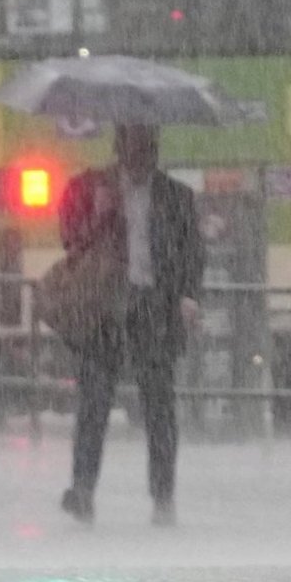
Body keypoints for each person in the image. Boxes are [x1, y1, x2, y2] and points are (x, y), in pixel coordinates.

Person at [58, 124, 205, 527]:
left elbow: (192, 252)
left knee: (159, 408)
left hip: (154, 306)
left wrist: (188, 295)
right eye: (134, 150)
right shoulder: (89, 188)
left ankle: (163, 496)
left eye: (148, 150)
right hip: (104, 307)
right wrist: (101, 216)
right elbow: (69, 240)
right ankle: (83, 489)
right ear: (119, 149)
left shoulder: (177, 197)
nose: (141, 159)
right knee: (94, 403)